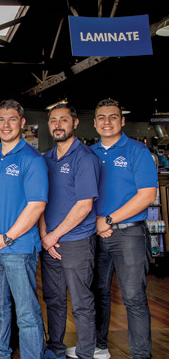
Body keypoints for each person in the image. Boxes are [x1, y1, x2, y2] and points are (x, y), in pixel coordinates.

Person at [67, 99, 157, 359]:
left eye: (113, 117)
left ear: (122, 121)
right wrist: (98, 223)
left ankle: (141, 355)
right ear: (94, 123)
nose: (107, 122)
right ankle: (99, 347)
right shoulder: (88, 154)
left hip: (128, 234)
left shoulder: (137, 151)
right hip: (94, 234)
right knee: (97, 294)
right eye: (102, 117)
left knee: (133, 297)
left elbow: (147, 195)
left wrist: (108, 220)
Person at [0, 99, 48, 359]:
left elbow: (37, 205)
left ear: (22, 123)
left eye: (11, 119)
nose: (5, 125)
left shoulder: (32, 159)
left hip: (18, 248)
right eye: (0, 120)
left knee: (27, 310)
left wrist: (7, 237)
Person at [38, 104, 100, 359]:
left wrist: (53, 236)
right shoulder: (45, 159)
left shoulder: (85, 157)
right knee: (53, 299)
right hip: (49, 241)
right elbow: (39, 202)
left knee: (82, 301)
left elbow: (84, 205)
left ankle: (86, 353)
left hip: (76, 241)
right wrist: (45, 235)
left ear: (75, 123)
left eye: (63, 119)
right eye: (53, 120)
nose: (57, 125)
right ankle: (56, 347)